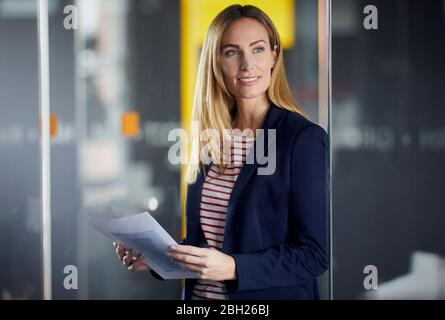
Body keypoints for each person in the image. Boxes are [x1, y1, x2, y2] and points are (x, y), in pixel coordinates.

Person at [114, 4, 328, 300]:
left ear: (274, 56)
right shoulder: (210, 137)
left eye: (257, 49)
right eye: (231, 52)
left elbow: (313, 255)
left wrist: (234, 268)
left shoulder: (302, 139)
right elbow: (208, 244)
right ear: (216, 62)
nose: (246, 65)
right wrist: (156, 258)